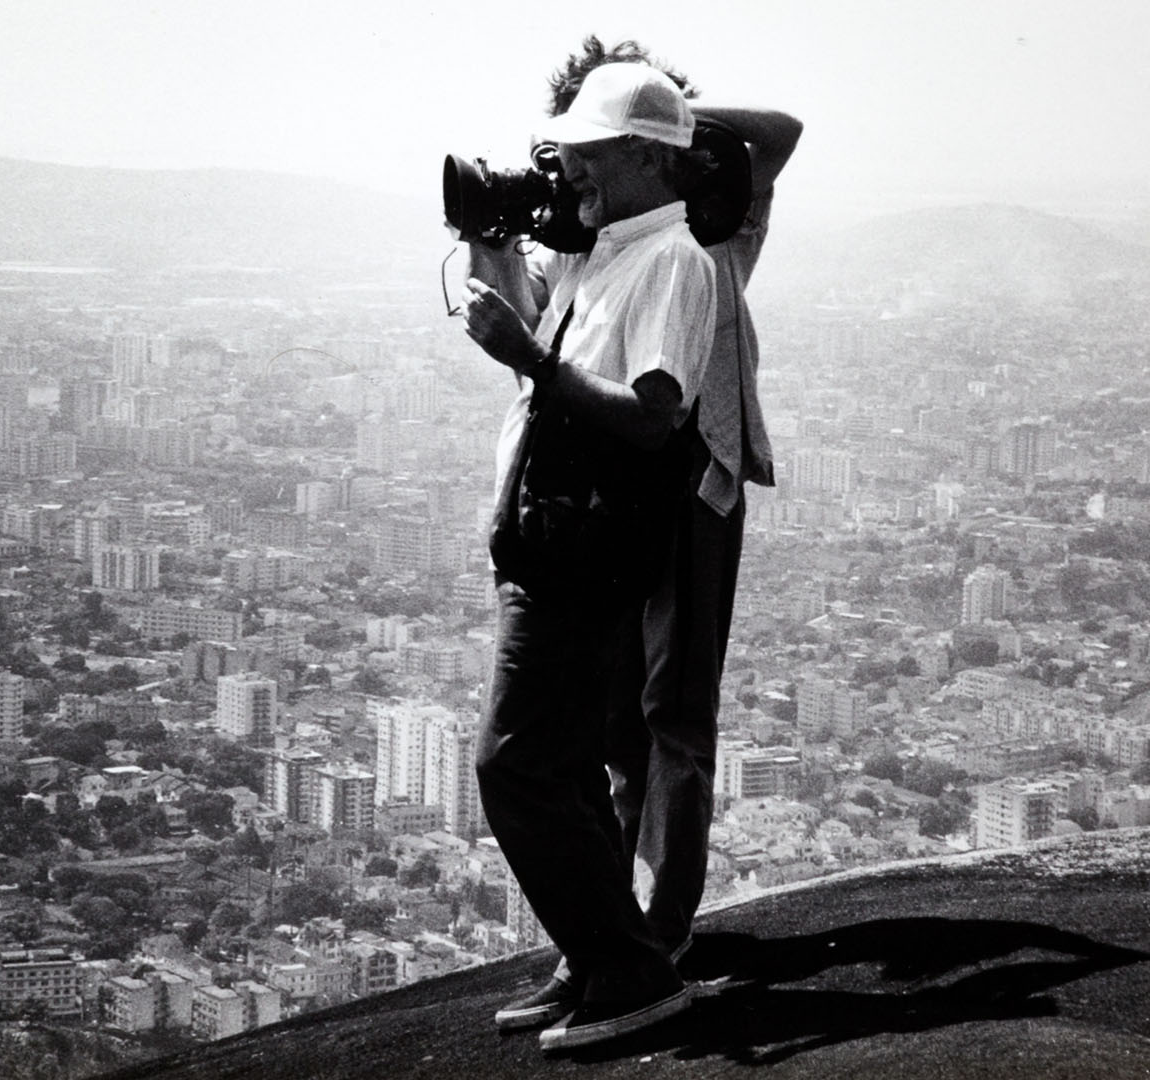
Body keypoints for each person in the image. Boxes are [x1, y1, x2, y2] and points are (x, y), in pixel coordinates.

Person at [461, 60, 719, 1052]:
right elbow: (539, 354)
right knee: (563, 770)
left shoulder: (672, 265)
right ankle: (595, 957)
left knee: (512, 766)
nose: (567, 169)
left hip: (585, 552)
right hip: (545, 538)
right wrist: (488, 244)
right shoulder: (599, 257)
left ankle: (631, 973)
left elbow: (654, 419)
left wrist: (530, 361)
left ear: (645, 161)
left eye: (587, 153)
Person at [550, 38, 803, 971]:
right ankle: (620, 924)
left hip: (695, 479)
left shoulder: (713, 220)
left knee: (673, 711)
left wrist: (664, 127)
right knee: (617, 721)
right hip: (609, 493)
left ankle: (665, 927)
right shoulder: (592, 241)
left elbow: (781, 133)